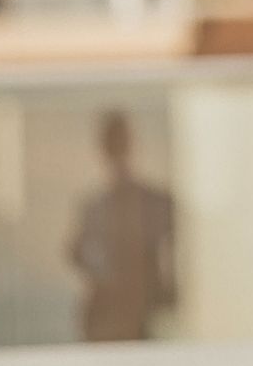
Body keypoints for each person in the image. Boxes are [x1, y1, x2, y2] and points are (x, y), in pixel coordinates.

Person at [67, 108, 177, 342]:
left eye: (121, 142)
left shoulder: (156, 203)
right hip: (107, 323)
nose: (118, 151)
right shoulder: (94, 208)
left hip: (148, 319)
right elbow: (77, 254)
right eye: (113, 143)